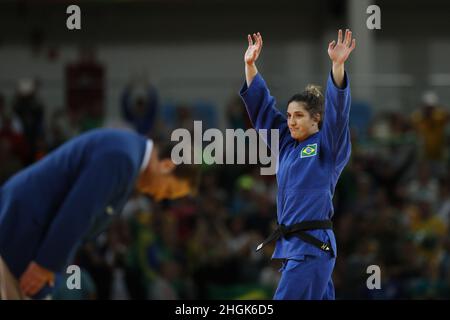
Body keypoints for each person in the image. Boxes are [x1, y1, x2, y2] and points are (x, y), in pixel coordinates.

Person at [0, 128, 200, 300]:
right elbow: (78, 211)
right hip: (23, 229)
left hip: (33, 231)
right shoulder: (123, 156)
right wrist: (46, 264)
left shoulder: (127, 152)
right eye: (167, 191)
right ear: (167, 166)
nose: (159, 197)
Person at [239, 30, 356, 299]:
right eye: (289, 115)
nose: (291, 121)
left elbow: (339, 114)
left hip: (312, 249)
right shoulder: (286, 145)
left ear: (316, 119)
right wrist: (250, 66)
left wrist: (337, 66)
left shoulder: (328, 146)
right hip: (295, 249)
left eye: (299, 116)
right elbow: (263, 111)